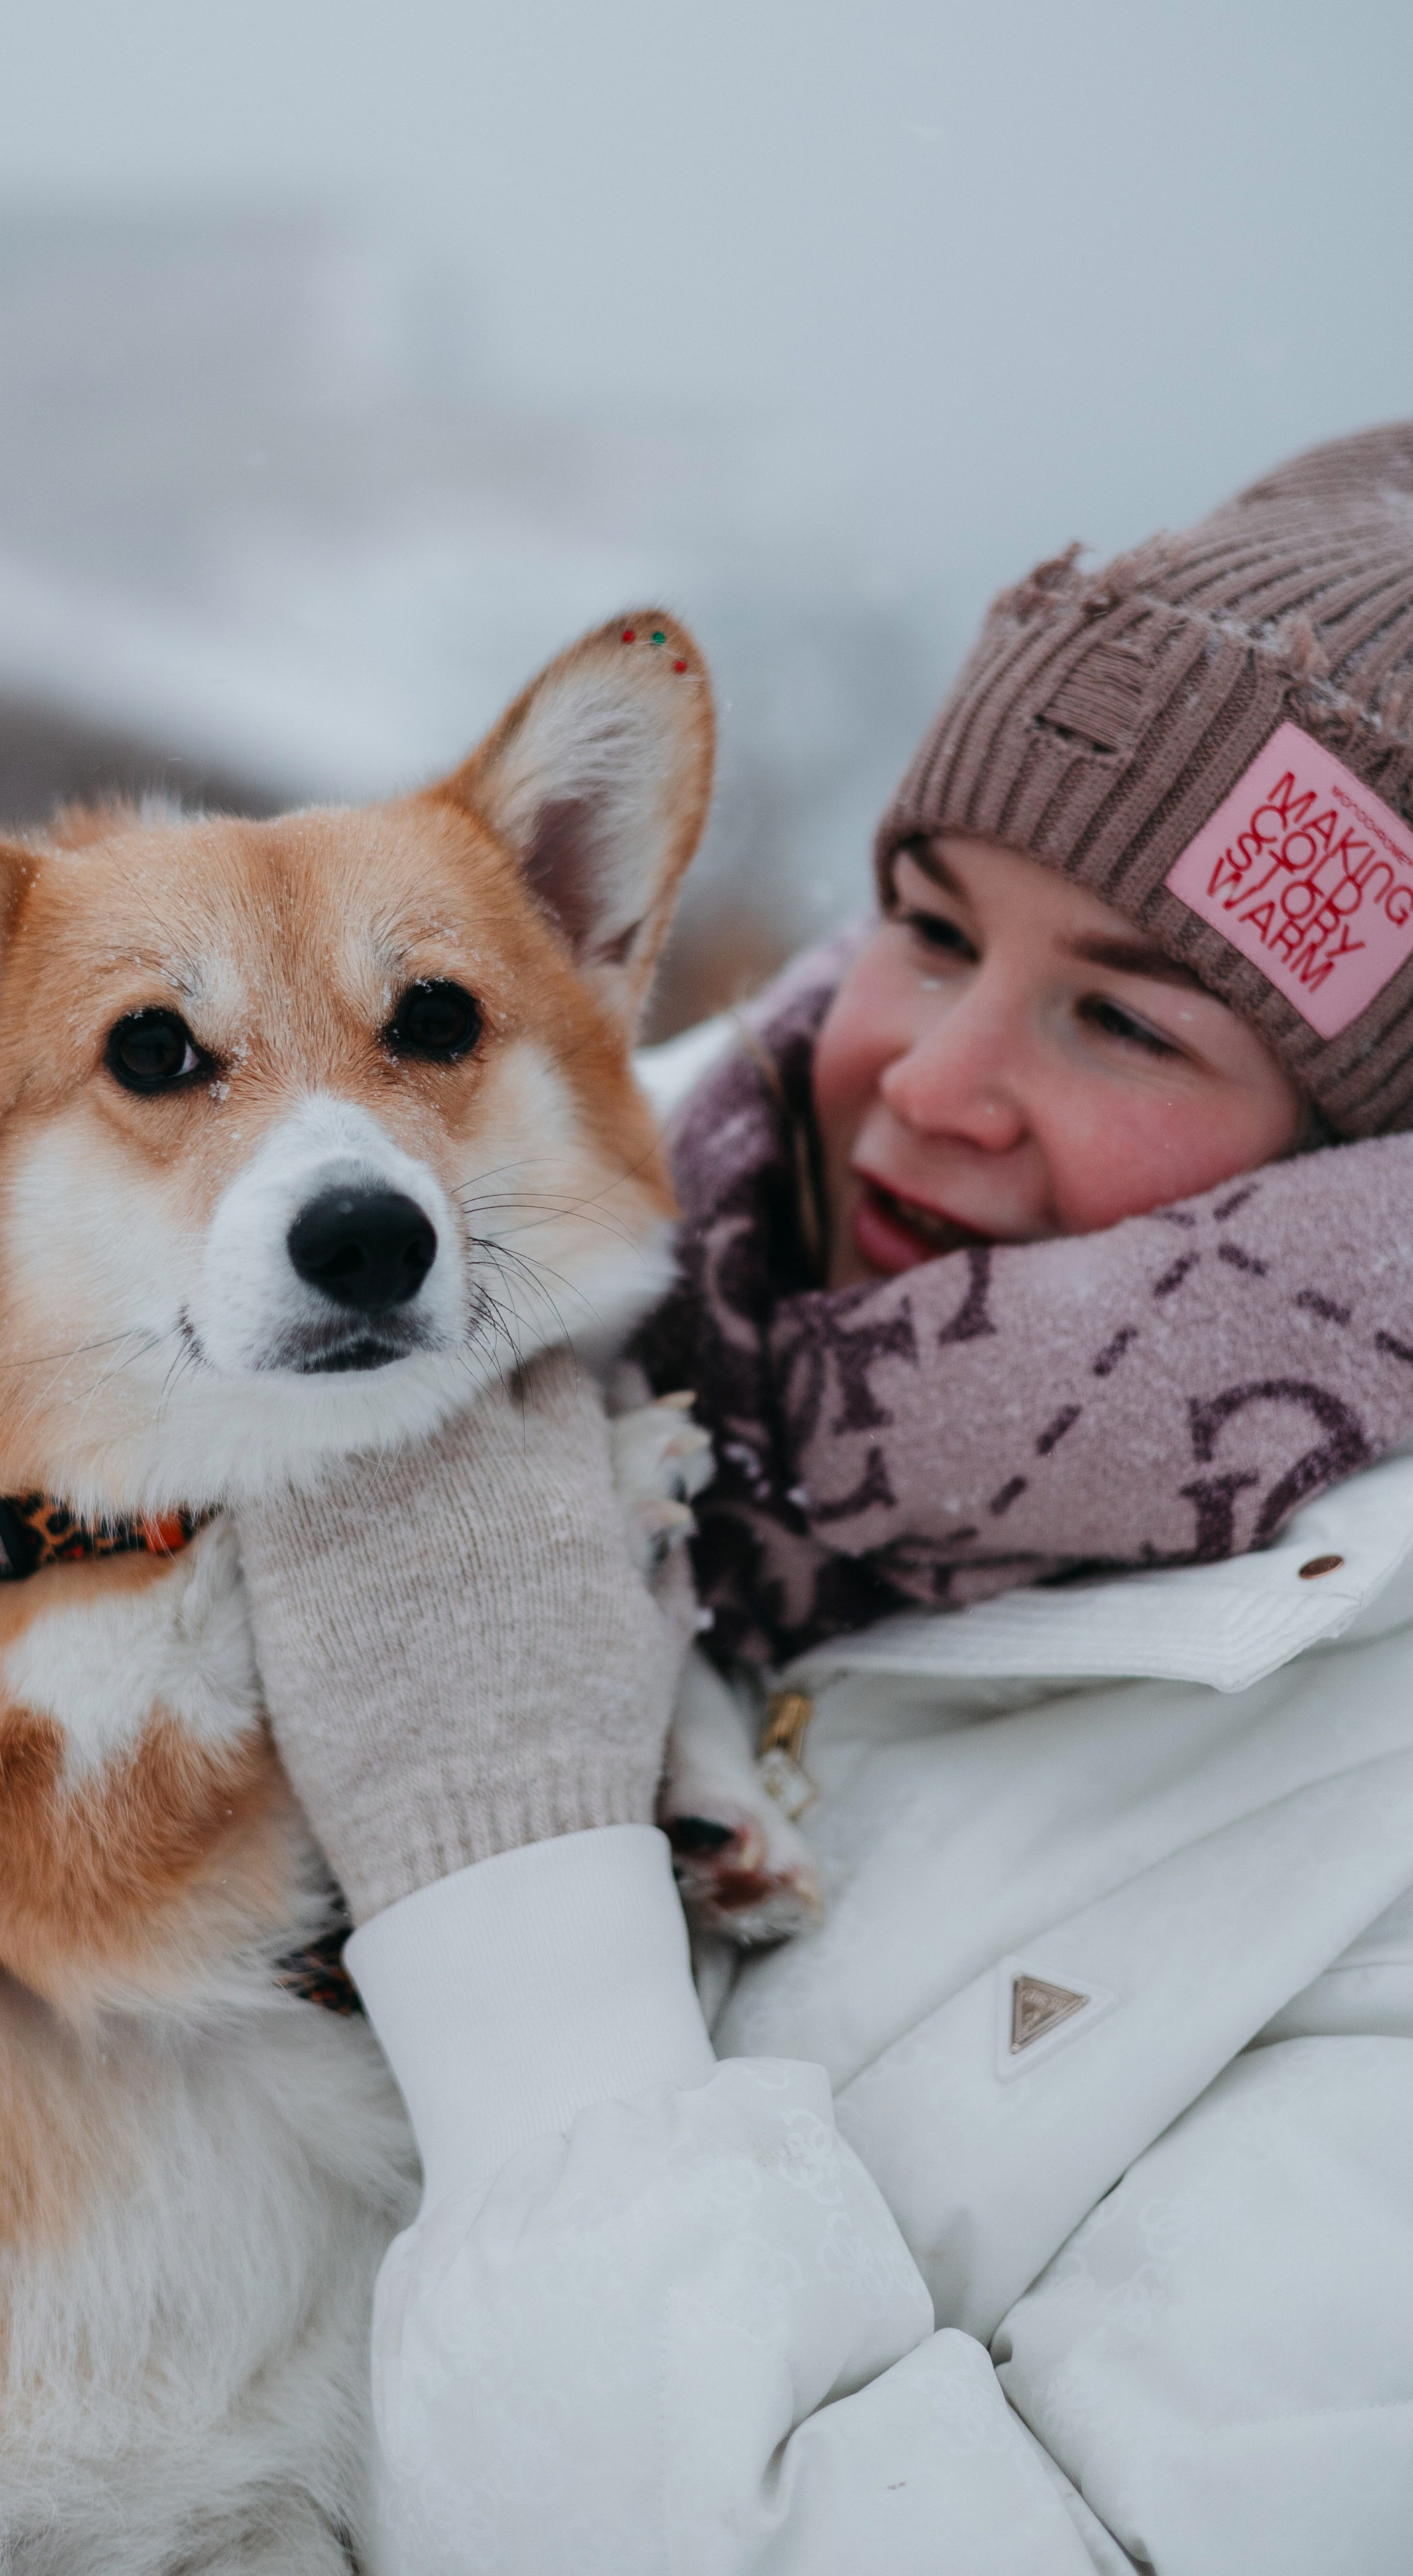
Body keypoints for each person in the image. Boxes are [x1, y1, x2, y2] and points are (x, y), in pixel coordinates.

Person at [243, 424, 1413, 2573]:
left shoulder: (1373, 1832)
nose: (932, 1081)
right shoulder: (516, 1209)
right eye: (928, 924)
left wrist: (520, 1930)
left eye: (1125, 1022)